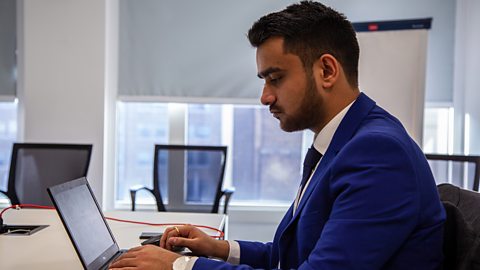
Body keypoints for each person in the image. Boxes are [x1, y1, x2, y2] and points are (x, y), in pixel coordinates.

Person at [109, 1, 445, 269]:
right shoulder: (342, 142)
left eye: (276, 78)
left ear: (326, 70)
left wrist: (181, 266)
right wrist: (218, 249)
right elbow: (292, 258)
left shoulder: (378, 154)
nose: (265, 96)